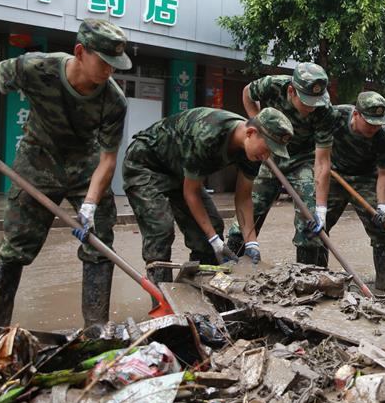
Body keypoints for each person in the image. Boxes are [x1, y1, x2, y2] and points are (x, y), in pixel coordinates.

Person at [0, 20, 130, 328]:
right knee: (15, 247)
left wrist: (91, 204)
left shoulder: (113, 100)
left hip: (84, 165)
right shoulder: (39, 67)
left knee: (100, 243)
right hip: (36, 160)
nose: (110, 71)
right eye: (104, 62)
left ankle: (95, 329)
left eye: (115, 65)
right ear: (80, 52)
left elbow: (108, 158)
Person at [124, 107, 293, 289]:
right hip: (146, 164)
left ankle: (199, 296)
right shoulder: (208, 134)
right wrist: (214, 240)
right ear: (251, 133)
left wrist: (252, 242)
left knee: (212, 229)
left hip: (180, 172)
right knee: (160, 229)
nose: (266, 156)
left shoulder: (251, 152)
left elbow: (244, 198)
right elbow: (191, 192)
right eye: (267, 148)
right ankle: (163, 304)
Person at [226, 63, 338, 267]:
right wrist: (257, 124)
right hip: (269, 154)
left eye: (315, 102)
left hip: (301, 159)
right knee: (254, 206)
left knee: (310, 219)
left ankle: (308, 276)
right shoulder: (272, 85)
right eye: (306, 101)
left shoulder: (325, 112)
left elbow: (322, 161)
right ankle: (230, 263)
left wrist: (321, 209)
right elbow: (247, 93)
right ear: (291, 91)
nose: (311, 107)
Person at [324, 92, 385, 291]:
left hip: (365, 177)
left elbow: (384, 173)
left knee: (381, 226)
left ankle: (384, 278)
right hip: (332, 174)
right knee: (317, 226)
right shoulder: (334, 117)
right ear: (356, 114)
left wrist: (381, 207)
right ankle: (315, 274)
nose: (375, 127)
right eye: (370, 122)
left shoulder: (383, 136)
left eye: (378, 123)